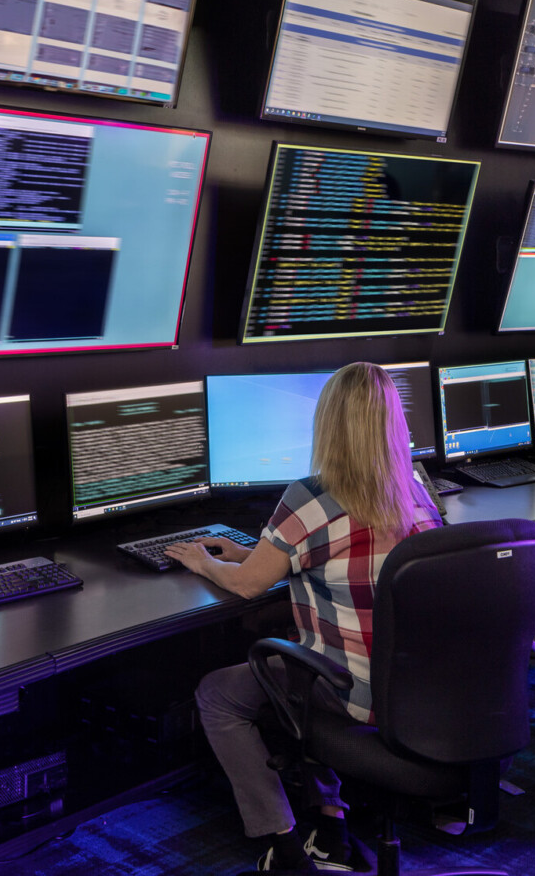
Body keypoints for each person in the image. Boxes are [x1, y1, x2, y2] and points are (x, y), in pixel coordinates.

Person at [165, 362, 443, 872]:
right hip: (423, 691)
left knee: (220, 694)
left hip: (352, 693)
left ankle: (283, 841)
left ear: (328, 423)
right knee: (309, 659)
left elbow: (249, 583)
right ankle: (330, 818)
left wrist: (203, 560)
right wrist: (250, 551)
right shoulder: (417, 492)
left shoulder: (312, 497)